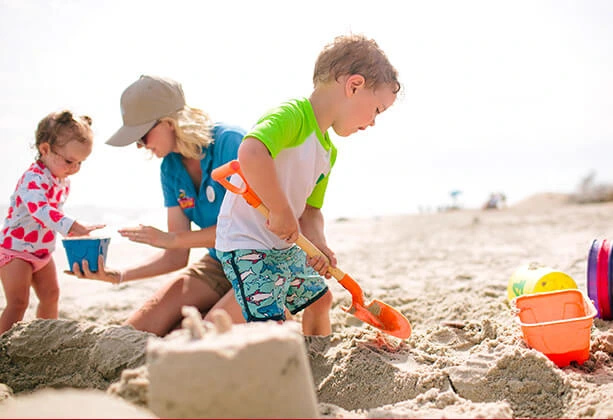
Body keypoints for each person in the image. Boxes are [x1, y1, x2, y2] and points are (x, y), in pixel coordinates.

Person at [70, 75, 331, 337]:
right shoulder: (170, 168)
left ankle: (273, 313)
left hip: (260, 259)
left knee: (206, 334)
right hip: (218, 263)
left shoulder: (231, 143)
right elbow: (176, 256)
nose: (140, 146)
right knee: (134, 332)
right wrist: (117, 275)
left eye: (142, 135)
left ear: (169, 123)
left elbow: (256, 225)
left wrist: (171, 239)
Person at [215, 34, 400, 335]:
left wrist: (318, 245)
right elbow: (251, 151)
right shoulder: (294, 115)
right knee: (269, 320)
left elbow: (311, 212)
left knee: (320, 299)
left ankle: (317, 363)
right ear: (354, 86)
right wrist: (279, 208)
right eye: (377, 110)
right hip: (246, 241)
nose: (372, 122)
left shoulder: (328, 150)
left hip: (282, 243)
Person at [0, 110, 103, 334]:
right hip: (15, 250)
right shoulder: (32, 179)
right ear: (45, 149)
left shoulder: (62, 181)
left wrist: (71, 231)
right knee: (18, 302)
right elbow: (41, 210)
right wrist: (72, 226)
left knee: (51, 295)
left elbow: (55, 214)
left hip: (42, 252)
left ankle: (45, 337)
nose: (74, 168)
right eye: (69, 161)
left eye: (80, 163)